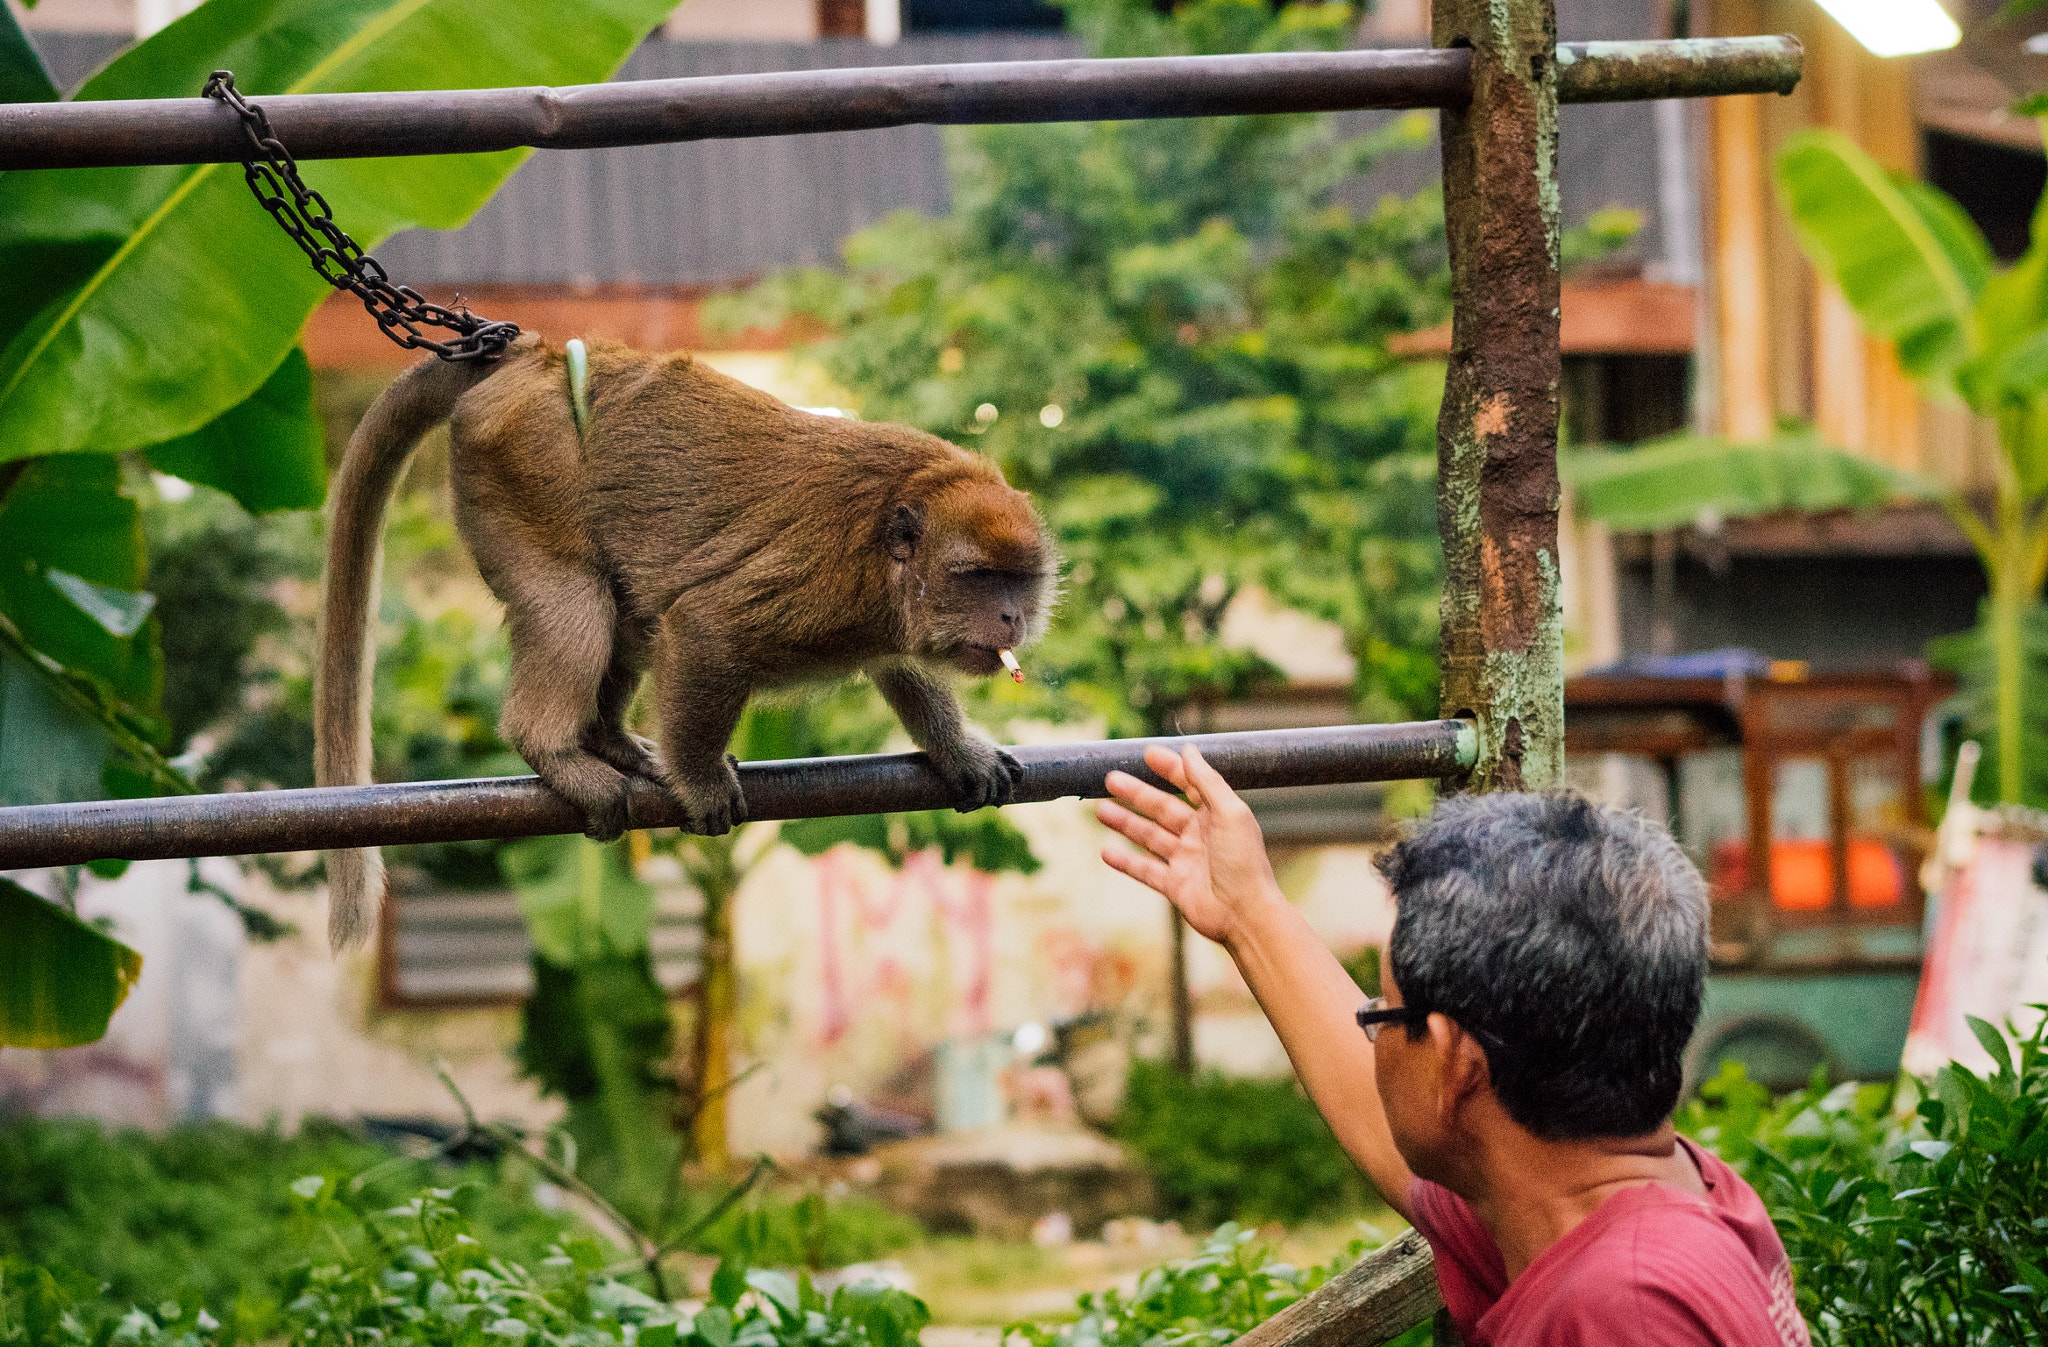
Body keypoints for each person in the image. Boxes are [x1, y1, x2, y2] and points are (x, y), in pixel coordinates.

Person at [1096, 745, 1811, 1347]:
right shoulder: (1641, 1201)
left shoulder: (1625, 1307)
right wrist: (1249, 911)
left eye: (1379, 1015)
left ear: (1454, 1061)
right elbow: (1395, 1128)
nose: (1371, 1035)